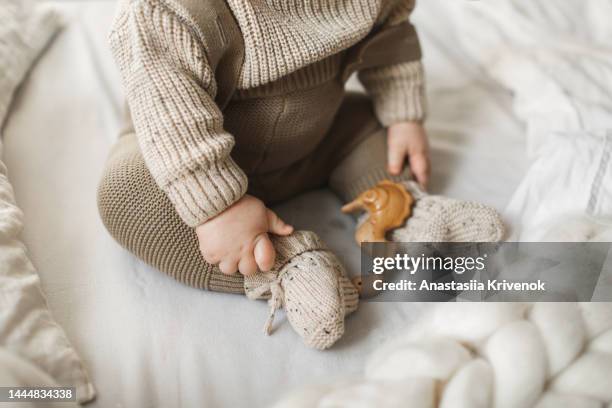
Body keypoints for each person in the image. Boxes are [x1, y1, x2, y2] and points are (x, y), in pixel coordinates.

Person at [98, 0, 504, 349]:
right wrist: (218, 207)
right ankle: (287, 267)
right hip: (190, 157)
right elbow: (172, 115)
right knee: (127, 196)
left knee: (366, 123)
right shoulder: (168, 13)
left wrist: (402, 114)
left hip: (317, 134)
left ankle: (404, 210)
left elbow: (389, 35)